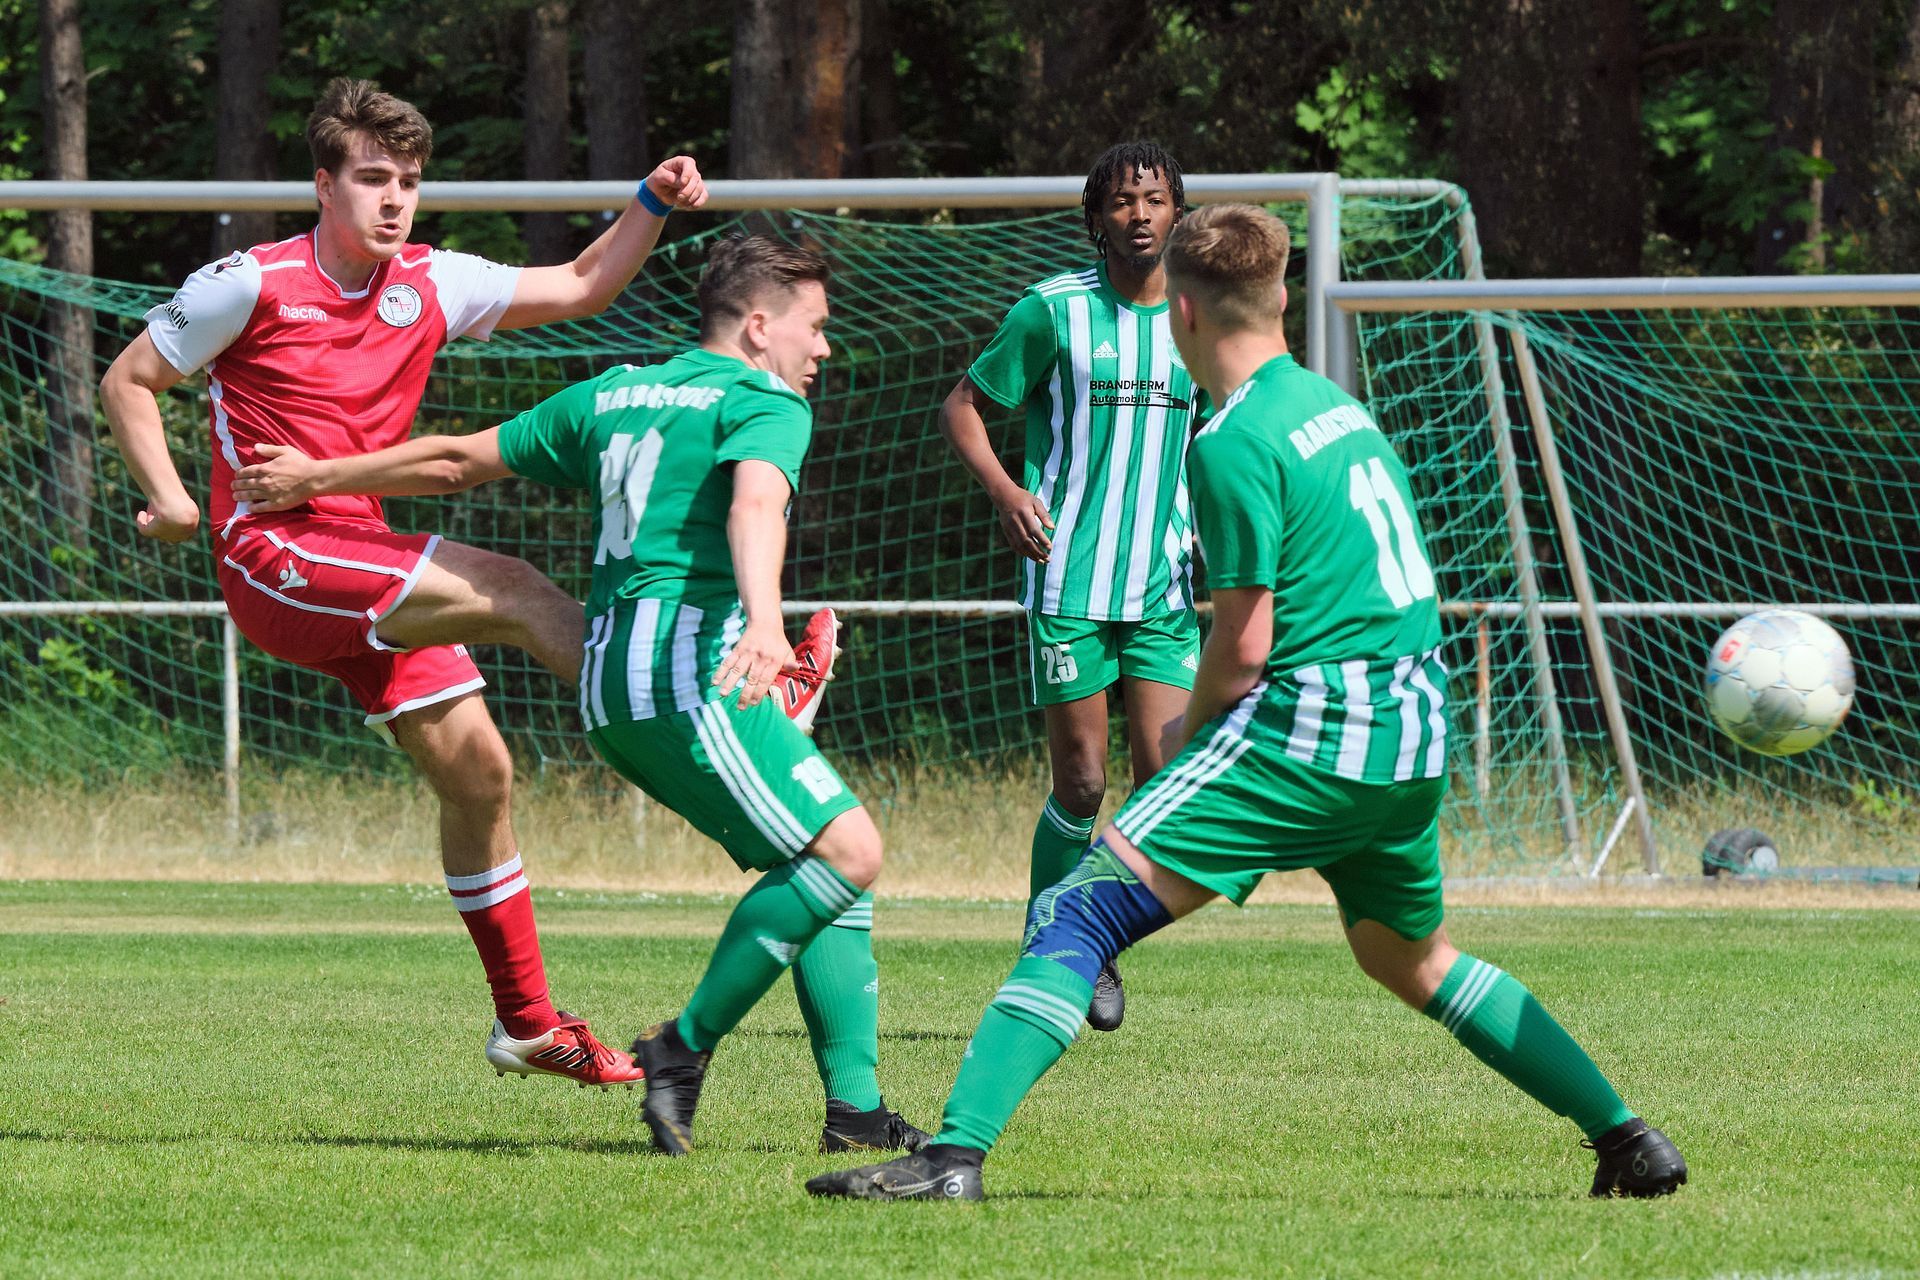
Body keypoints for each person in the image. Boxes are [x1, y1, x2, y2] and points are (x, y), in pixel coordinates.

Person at [805, 204, 1688, 1203]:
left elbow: (1247, 640)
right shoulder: (1338, 409)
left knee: (1077, 910)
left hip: (1311, 731)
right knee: (1413, 958)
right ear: (1280, 298)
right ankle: (1628, 1138)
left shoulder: (1231, 440)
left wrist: (1190, 728)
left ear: (1182, 311)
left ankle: (951, 1158)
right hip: (1411, 731)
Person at [227, 234, 928, 1158]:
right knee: (852, 851)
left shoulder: (618, 391)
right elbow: (755, 505)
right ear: (759, 328)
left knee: (822, 867)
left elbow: (455, 461)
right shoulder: (764, 400)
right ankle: (682, 1047)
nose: (825, 348)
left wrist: (318, 476)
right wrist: (766, 623)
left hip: (606, 684)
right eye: (816, 326)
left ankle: (856, 1111)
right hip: (691, 677)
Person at [98, 78, 722, 1089]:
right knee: (517, 589)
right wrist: (173, 502)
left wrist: (649, 200)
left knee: (480, 773)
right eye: (373, 179)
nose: (394, 199)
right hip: (274, 555)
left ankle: (528, 1026)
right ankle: (703, 702)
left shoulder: (432, 281)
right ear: (324, 186)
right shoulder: (248, 283)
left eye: (410, 182)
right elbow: (129, 379)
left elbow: (581, 285)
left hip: (363, 556)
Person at [937, 142, 1204, 1031]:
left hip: (1163, 587)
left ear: (1177, 212)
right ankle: (1060, 943)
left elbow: (1229, 427)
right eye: (1122, 201)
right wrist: (1007, 493)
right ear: (1096, 219)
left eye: (1155, 199)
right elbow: (962, 407)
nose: (1140, 214)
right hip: (1069, 583)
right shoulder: (1054, 310)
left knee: (1166, 789)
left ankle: (1083, 931)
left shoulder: (1201, 314)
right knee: (1084, 785)